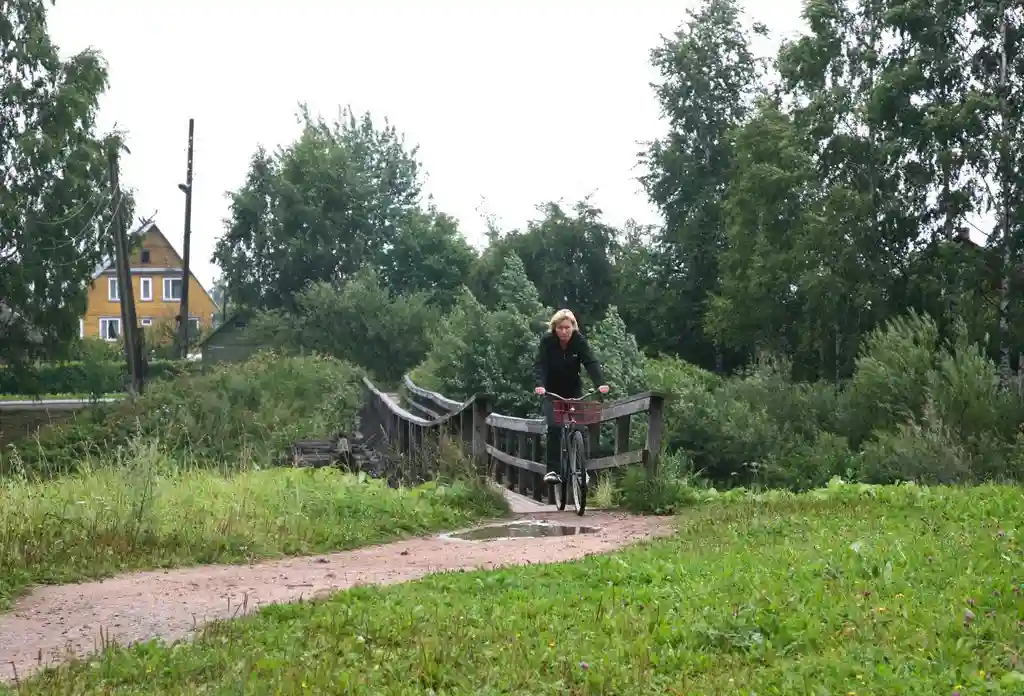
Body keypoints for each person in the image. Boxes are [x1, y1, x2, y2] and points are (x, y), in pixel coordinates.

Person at [532, 309, 609, 484]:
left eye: (567, 327)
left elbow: (590, 362)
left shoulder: (578, 341)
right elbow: (540, 364)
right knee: (554, 426)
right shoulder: (547, 341)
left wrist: (600, 383)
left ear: (573, 327)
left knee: (580, 427)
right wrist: (540, 384)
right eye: (560, 328)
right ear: (554, 328)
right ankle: (553, 470)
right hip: (552, 391)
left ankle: (582, 469)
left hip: (573, 390)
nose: (564, 331)